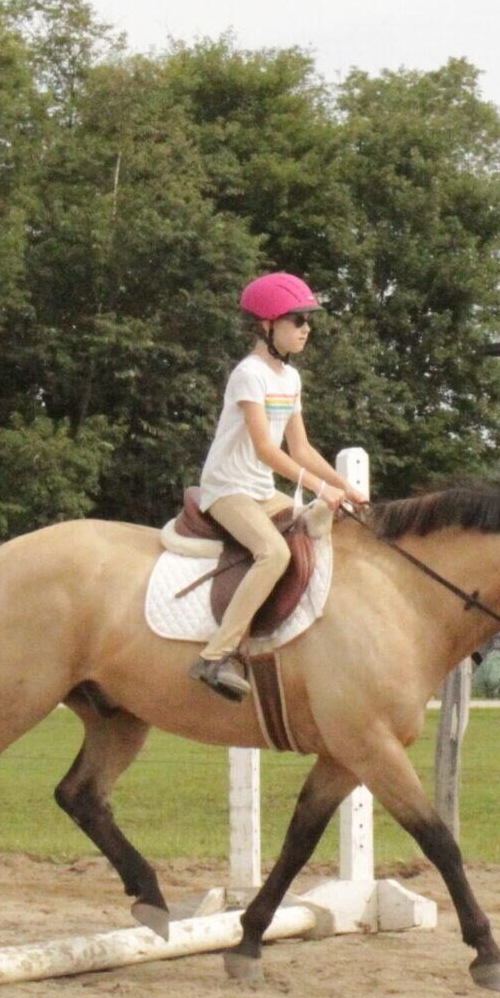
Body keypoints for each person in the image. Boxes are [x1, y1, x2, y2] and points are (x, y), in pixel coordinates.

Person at [188, 272, 367, 701]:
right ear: (268, 326)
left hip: (261, 489)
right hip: (227, 489)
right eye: (298, 320)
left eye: (308, 321)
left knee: (320, 529)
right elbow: (267, 449)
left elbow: (300, 448)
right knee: (274, 553)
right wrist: (319, 489)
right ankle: (217, 655)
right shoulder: (248, 375)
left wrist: (347, 489)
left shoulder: (290, 379)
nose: (307, 329)